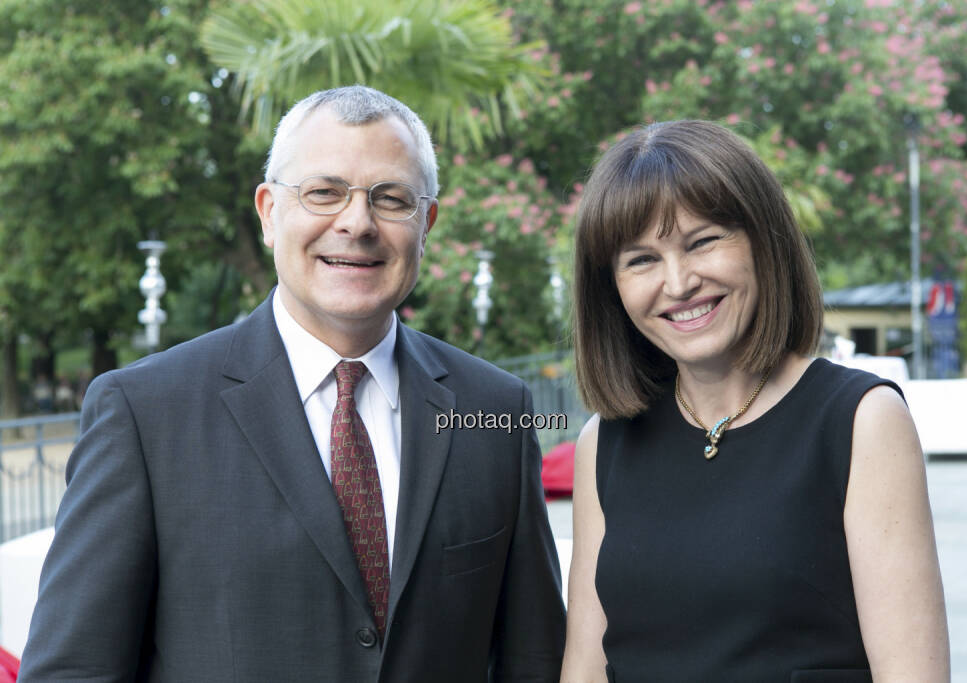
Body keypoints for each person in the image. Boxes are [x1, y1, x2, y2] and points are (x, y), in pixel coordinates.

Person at [20, 86, 566, 682]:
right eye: (324, 193)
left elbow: (532, 661)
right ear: (269, 212)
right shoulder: (144, 413)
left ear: (425, 223)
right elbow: (74, 669)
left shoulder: (495, 410)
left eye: (390, 199)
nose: (356, 223)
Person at [560, 120, 949, 681]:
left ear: (764, 243)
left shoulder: (861, 421)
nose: (677, 282)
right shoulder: (604, 441)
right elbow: (586, 666)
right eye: (640, 259)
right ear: (612, 288)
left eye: (702, 241)